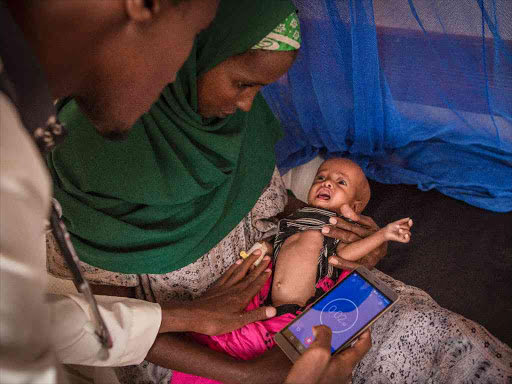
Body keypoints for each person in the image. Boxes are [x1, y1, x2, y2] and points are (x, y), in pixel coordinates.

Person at [45, 2, 512, 384]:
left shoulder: (233, 124)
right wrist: (246, 374)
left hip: (309, 293)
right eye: (244, 83)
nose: (248, 104)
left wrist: (333, 230)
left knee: (428, 337)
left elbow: (274, 208)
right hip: (202, 347)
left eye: (261, 88)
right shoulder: (88, 162)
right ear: (193, 54)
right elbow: (105, 318)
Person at [1, 1, 342, 383]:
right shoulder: (60, 158)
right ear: (143, 9)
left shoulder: (21, 125)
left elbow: (41, 324)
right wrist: (239, 369)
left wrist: (320, 224)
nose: (174, 71)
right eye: (188, 40)